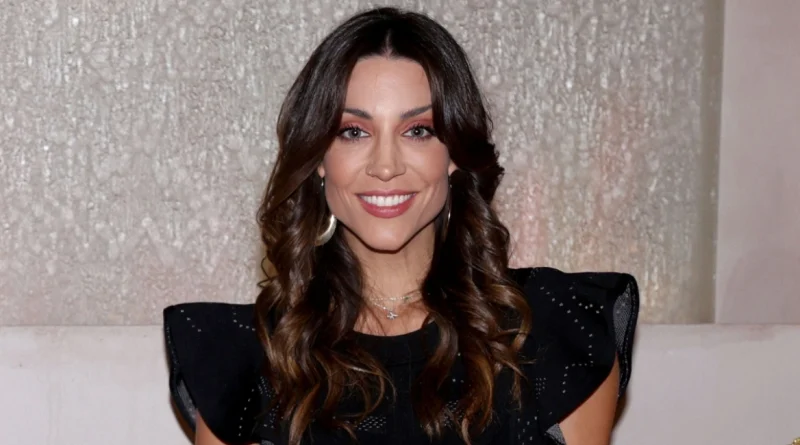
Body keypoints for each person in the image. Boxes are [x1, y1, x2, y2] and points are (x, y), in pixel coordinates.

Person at [163, 6, 639, 445]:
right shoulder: (251, 358)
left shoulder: (555, 333)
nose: (386, 166)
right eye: (354, 132)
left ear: (453, 154)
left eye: (418, 130)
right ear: (319, 158)